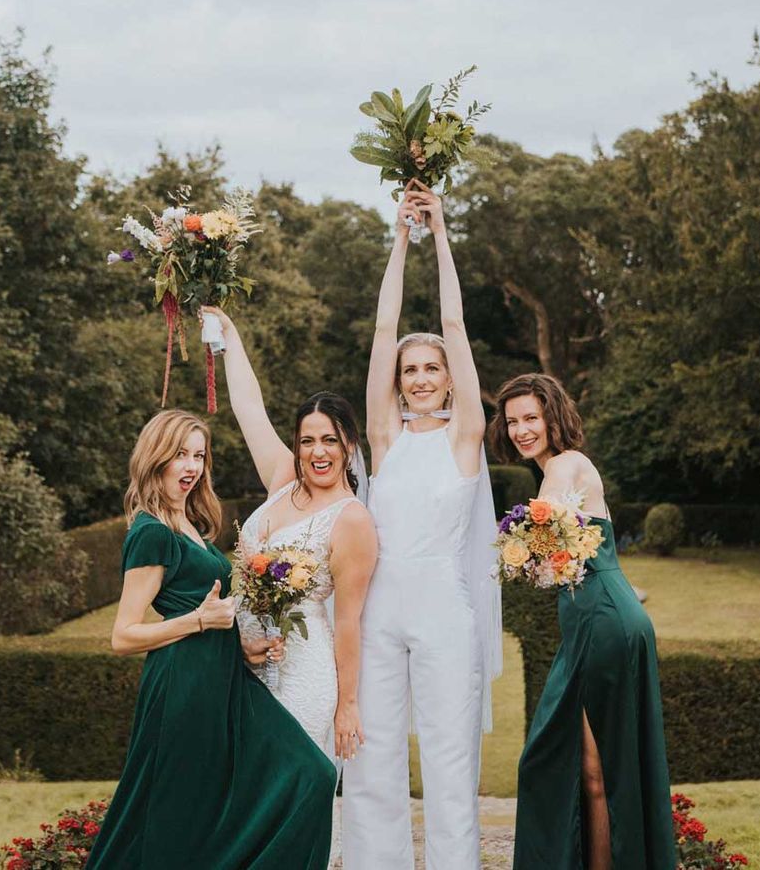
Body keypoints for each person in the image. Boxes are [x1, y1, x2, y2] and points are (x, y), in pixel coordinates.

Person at [85, 409, 336, 870]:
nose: (191, 466)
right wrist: (200, 622)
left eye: (199, 456)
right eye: (180, 454)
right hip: (184, 687)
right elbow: (123, 635)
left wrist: (241, 647)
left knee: (312, 773)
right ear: (156, 457)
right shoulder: (151, 531)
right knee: (181, 815)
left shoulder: (193, 527)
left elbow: (207, 613)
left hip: (225, 680)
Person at [342, 180, 503, 870]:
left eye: (432, 368)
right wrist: (398, 235)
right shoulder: (384, 435)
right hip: (379, 610)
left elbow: (458, 326)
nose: (420, 377)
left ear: (450, 378)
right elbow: (383, 330)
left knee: (448, 761)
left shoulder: (466, 434)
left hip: (446, 612)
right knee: (372, 762)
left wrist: (441, 234)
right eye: (411, 370)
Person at [489, 374, 676, 870]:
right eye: (512, 422)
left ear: (553, 417)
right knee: (586, 767)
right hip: (596, 621)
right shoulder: (561, 469)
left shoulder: (565, 466)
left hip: (603, 622)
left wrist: (501, 540)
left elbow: (534, 535)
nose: (521, 430)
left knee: (590, 769)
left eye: (531, 418)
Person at [213, 308, 378, 866]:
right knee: (246, 797)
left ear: (348, 444)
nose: (317, 452)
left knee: (293, 798)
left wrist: (348, 706)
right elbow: (248, 410)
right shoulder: (282, 482)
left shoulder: (352, 520)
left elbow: (350, 619)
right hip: (245, 663)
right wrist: (231, 335)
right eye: (307, 440)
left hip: (304, 674)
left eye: (329, 440)